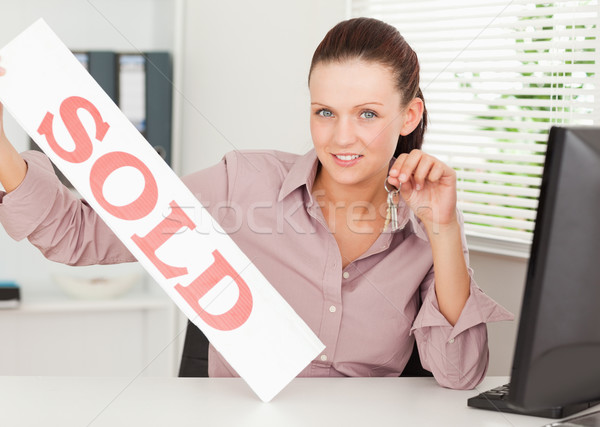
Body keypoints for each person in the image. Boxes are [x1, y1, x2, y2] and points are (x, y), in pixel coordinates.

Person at [0, 17, 512, 389]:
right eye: (325, 111)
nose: (341, 136)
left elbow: (459, 374)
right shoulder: (243, 185)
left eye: (369, 114)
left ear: (408, 115)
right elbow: (78, 236)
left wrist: (444, 231)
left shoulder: (429, 217)